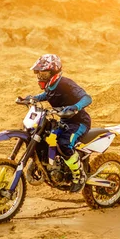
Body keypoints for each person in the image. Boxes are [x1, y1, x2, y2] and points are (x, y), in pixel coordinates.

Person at [28, 54, 92, 193]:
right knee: (45, 137)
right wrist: (33, 98)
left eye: (43, 72)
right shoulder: (51, 86)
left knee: (64, 143)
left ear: (53, 72)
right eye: (38, 72)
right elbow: (49, 95)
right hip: (64, 121)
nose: (39, 76)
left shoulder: (66, 84)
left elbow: (87, 98)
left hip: (79, 122)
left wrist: (75, 108)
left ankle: (79, 176)